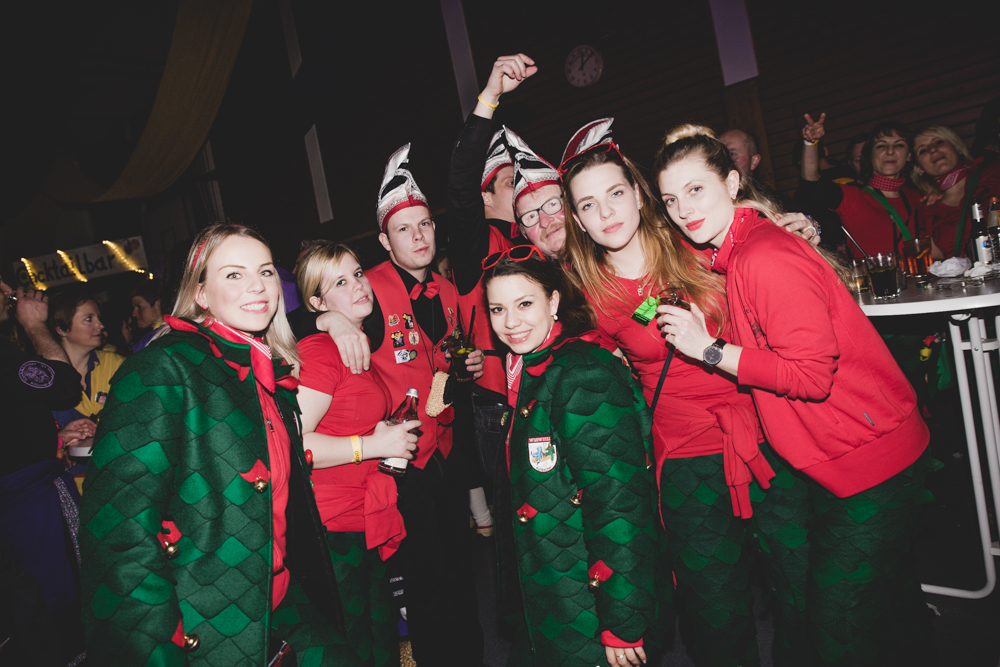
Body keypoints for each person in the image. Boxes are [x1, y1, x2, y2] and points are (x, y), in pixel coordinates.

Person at [653, 126, 938, 665]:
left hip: (872, 461)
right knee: (891, 612)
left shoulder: (762, 255)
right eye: (670, 199)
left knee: (838, 631)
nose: (683, 210)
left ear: (731, 182)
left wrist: (707, 349)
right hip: (854, 457)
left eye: (695, 189)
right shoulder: (739, 250)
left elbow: (810, 377)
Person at [561, 118, 812, 665]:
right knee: (714, 609)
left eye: (615, 194)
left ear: (638, 194)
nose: (606, 213)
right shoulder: (585, 294)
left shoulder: (698, 241)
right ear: (576, 219)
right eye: (588, 205)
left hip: (767, 434)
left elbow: (769, 257)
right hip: (686, 456)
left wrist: (799, 230)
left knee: (803, 587)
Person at [79, 224, 344, 666]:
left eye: (265, 271)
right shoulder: (163, 369)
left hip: (278, 604)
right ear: (200, 293)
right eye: (234, 274)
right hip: (202, 625)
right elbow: (117, 537)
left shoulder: (267, 370)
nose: (257, 286)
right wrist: (158, 652)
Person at [289, 145, 487, 664]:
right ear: (385, 240)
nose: (419, 237)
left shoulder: (447, 289)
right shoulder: (367, 290)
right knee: (421, 588)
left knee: (461, 574)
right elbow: (288, 319)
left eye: (425, 225)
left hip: (443, 451)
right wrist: (325, 320)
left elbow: (440, 362)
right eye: (404, 229)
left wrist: (464, 369)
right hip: (395, 466)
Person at [483, 247, 657, 667]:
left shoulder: (582, 374)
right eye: (497, 309)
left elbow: (618, 504)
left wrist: (622, 621)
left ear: (554, 301)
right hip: (554, 589)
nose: (510, 322)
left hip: (588, 598)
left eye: (525, 304)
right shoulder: (534, 366)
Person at [295, 242, 414, 667]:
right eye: (340, 282)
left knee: (379, 644)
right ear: (317, 304)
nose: (359, 285)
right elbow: (296, 443)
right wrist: (373, 446)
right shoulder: (321, 351)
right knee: (355, 648)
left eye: (358, 274)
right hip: (331, 528)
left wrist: (380, 434)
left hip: (360, 518)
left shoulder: (355, 345)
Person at [0, 278, 87, 666]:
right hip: (25, 509)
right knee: (49, 607)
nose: (8, 291)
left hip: (17, 501)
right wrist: (35, 324)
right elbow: (65, 385)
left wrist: (53, 438)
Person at [797, 113, 923, 257]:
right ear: (869, 155)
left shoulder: (919, 196)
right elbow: (812, 180)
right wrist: (811, 142)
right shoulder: (854, 198)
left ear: (909, 155)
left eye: (899, 145)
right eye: (881, 146)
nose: (890, 151)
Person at [912, 124, 1000, 257]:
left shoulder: (993, 175)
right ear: (919, 168)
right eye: (923, 150)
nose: (933, 149)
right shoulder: (928, 212)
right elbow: (937, 262)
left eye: (939, 142)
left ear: (956, 146)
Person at [48, 290, 126, 432]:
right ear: (61, 329)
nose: (100, 325)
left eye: (99, 318)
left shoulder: (116, 364)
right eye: (89, 319)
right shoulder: (46, 378)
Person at [130, 278, 164, 352]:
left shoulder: (162, 337)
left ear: (158, 304)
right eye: (134, 308)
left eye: (139, 307)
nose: (134, 314)